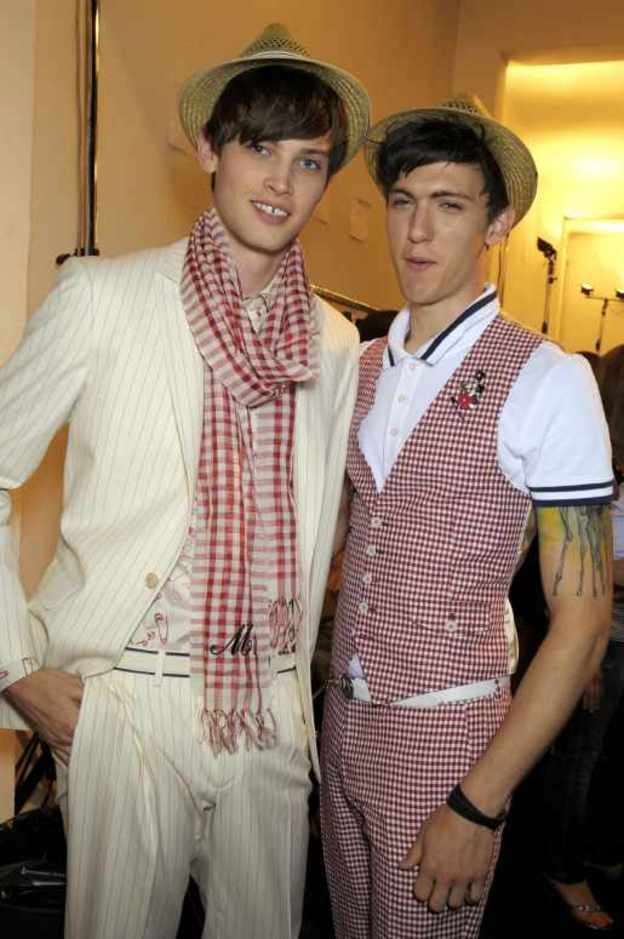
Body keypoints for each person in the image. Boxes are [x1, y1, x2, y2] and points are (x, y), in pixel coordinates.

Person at [0, 24, 369, 939]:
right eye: (259, 148)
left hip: (271, 700)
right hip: (133, 696)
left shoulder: (333, 342)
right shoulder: (105, 297)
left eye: (309, 161)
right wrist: (16, 671)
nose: (281, 182)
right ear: (210, 148)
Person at [320, 96, 614, 939]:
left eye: (448, 205)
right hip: (342, 722)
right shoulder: (361, 364)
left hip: (448, 733)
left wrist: (479, 802)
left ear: (497, 222)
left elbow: (585, 622)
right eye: (403, 201)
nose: (418, 232)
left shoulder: (549, 379)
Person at [540, 343, 624, 931]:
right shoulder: (592, 463)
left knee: (600, 760)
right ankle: (562, 866)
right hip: (599, 638)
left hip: (611, 635)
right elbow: (570, 571)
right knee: (577, 762)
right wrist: (584, 657)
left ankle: (591, 848)